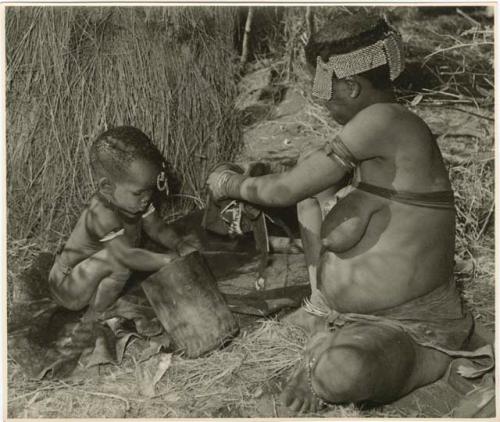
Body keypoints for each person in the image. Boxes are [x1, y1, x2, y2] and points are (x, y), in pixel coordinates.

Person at [207, 12, 477, 412]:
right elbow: (304, 181)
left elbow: (286, 189)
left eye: (325, 90)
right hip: (349, 316)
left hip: (409, 325)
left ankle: (428, 358)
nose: (320, 100)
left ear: (350, 87)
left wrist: (227, 183)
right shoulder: (381, 131)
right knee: (312, 176)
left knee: (339, 374)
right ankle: (322, 311)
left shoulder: (384, 121)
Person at [49, 126, 197, 318]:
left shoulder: (137, 203)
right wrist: (168, 260)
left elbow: (157, 229)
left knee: (145, 257)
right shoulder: (101, 213)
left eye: (150, 190)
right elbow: (125, 256)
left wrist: (180, 245)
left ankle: (100, 299)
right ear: (107, 188)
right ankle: (95, 314)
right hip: (67, 286)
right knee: (119, 261)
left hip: (94, 278)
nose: (146, 198)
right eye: (138, 192)